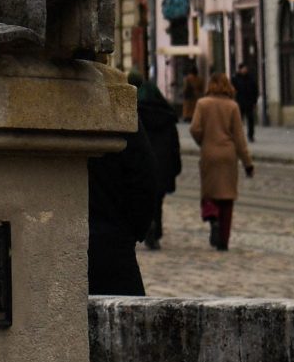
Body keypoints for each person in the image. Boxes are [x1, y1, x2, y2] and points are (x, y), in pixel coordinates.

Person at [87, 111, 159, 294]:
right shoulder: (117, 109)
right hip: (112, 239)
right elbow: (144, 176)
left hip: (68, 235)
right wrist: (133, 230)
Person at [189, 73, 254, 249]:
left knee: (209, 195)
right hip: (228, 156)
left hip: (209, 153)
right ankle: (223, 241)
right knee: (227, 199)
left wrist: (203, 141)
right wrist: (248, 163)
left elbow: (194, 128)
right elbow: (240, 139)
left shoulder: (202, 104)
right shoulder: (233, 106)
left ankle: (213, 218)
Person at [134, 73, 181, 250]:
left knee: (144, 198)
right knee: (158, 200)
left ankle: (148, 227)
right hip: (163, 164)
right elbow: (174, 146)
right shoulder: (167, 115)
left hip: (143, 163)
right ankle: (156, 228)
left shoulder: (136, 114)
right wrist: (176, 167)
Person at [233, 60, 261, 142]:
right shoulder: (235, 78)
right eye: (243, 68)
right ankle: (238, 136)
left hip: (249, 102)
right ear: (240, 69)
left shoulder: (251, 78)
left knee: (250, 119)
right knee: (239, 121)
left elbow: (255, 90)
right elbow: (233, 90)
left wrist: (255, 101)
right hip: (239, 102)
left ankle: (250, 135)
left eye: (246, 68)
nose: (245, 70)